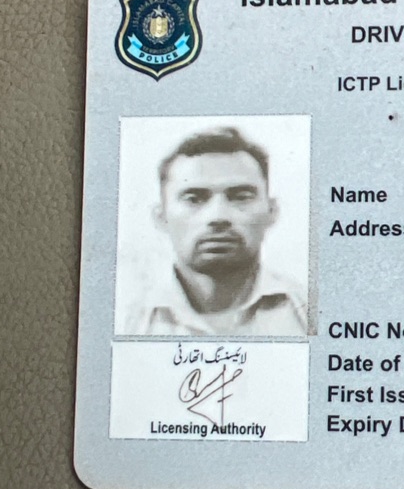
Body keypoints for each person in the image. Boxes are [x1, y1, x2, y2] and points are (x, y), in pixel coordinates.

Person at [124, 126, 307, 336]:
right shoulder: (125, 320)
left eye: (241, 197)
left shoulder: (310, 313)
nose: (218, 216)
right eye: (194, 199)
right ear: (161, 217)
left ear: (271, 211)